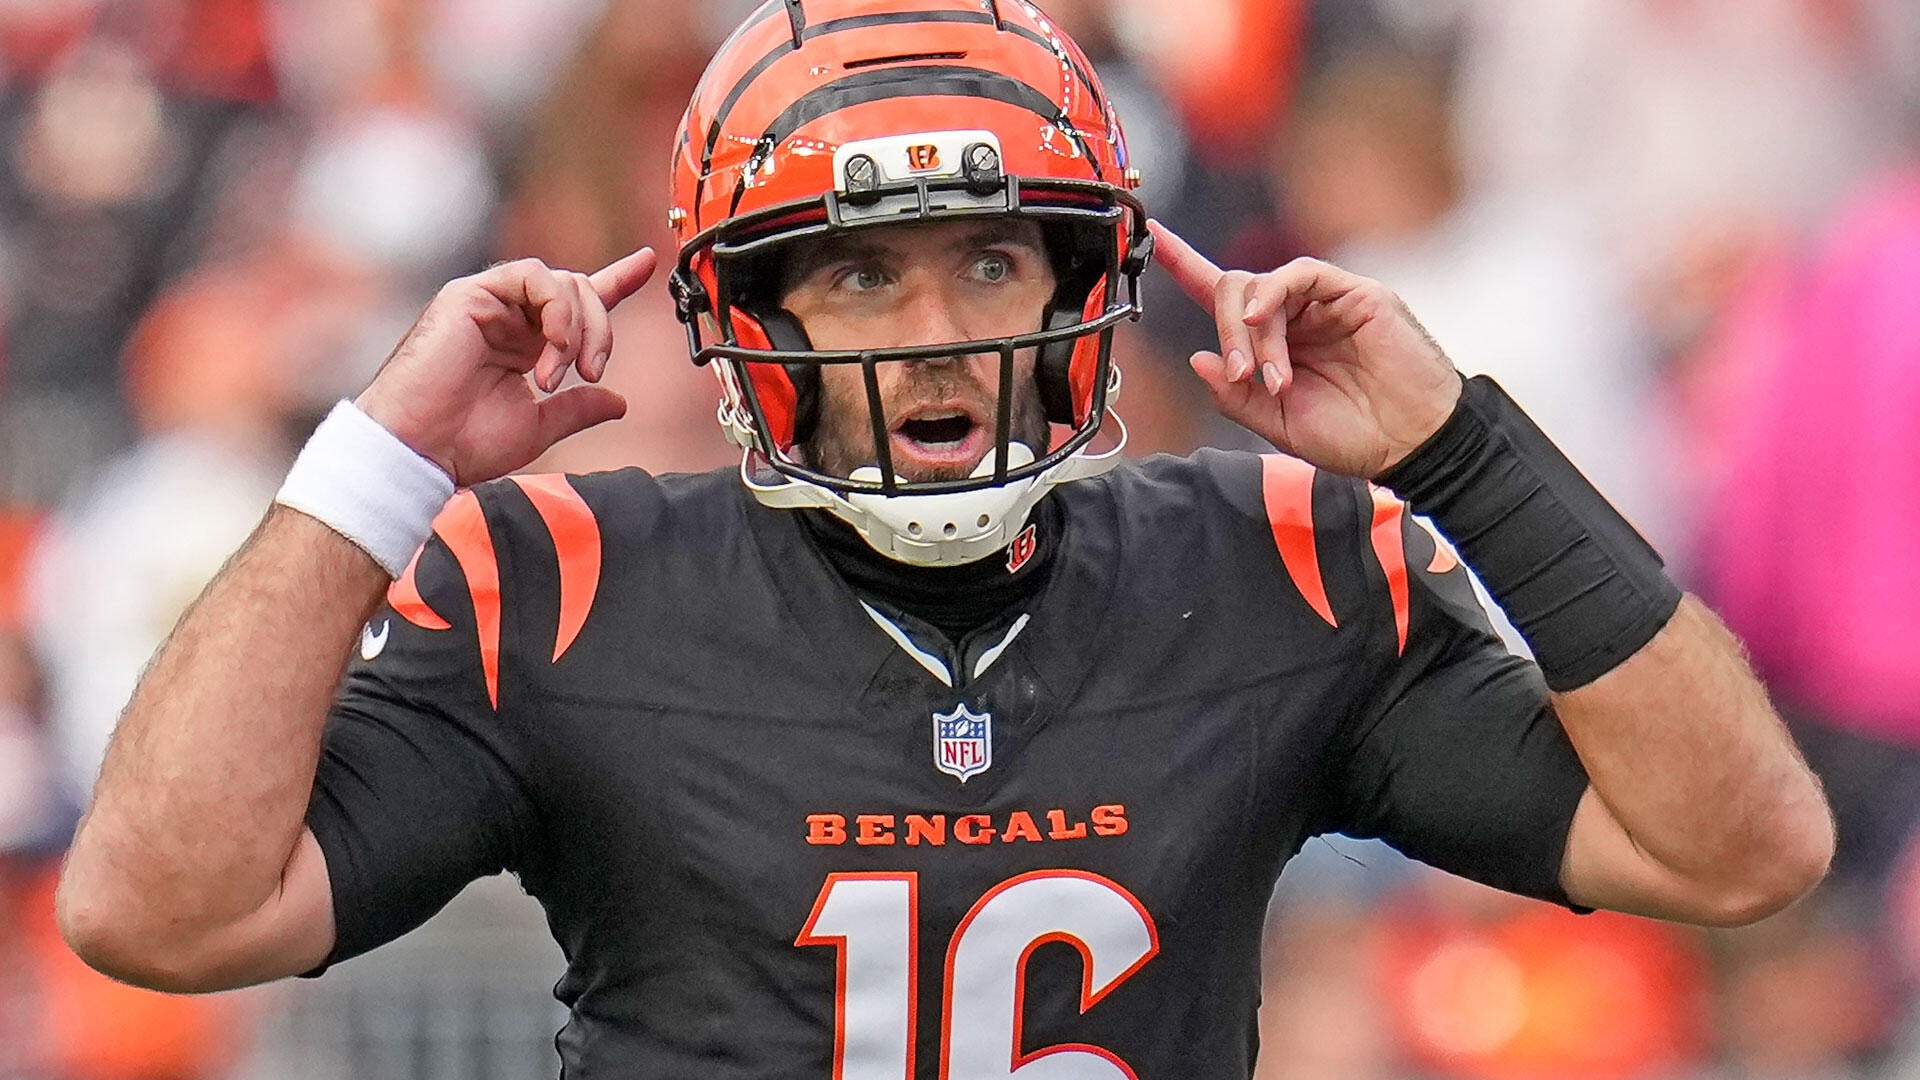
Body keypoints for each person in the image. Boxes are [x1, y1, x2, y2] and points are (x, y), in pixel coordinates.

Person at [55, 2, 1831, 1076]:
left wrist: (1462, 453)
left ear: (1078, 291)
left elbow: (1740, 848)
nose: (933, 331)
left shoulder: (1267, 562)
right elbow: (159, 911)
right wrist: (381, 465)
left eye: (989, 260)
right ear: (755, 318)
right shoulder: (575, 585)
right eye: (858, 274)